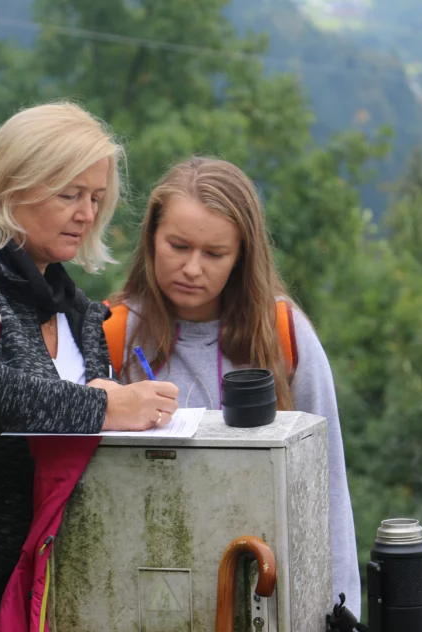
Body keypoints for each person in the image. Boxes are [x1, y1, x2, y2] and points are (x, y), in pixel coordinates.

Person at [0, 101, 180, 630]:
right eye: (69, 194)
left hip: (60, 594)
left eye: (96, 198)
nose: (87, 214)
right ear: (9, 187)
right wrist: (102, 406)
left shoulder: (78, 312)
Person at [105, 157, 362, 615]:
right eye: (178, 246)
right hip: (143, 588)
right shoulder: (114, 333)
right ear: (150, 240)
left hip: (265, 590)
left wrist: (340, 606)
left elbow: (327, 484)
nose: (192, 268)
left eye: (214, 254)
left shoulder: (284, 334)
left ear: (242, 255)